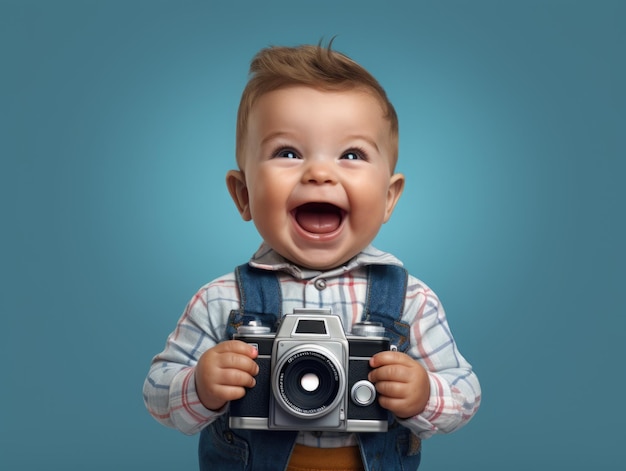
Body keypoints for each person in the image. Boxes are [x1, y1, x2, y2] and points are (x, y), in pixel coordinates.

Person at [143, 42, 480, 471]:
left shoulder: (412, 301)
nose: (320, 173)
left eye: (351, 155)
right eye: (288, 152)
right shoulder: (221, 301)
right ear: (243, 195)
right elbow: (157, 392)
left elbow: (465, 392)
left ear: (389, 197)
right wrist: (200, 386)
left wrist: (424, 395)